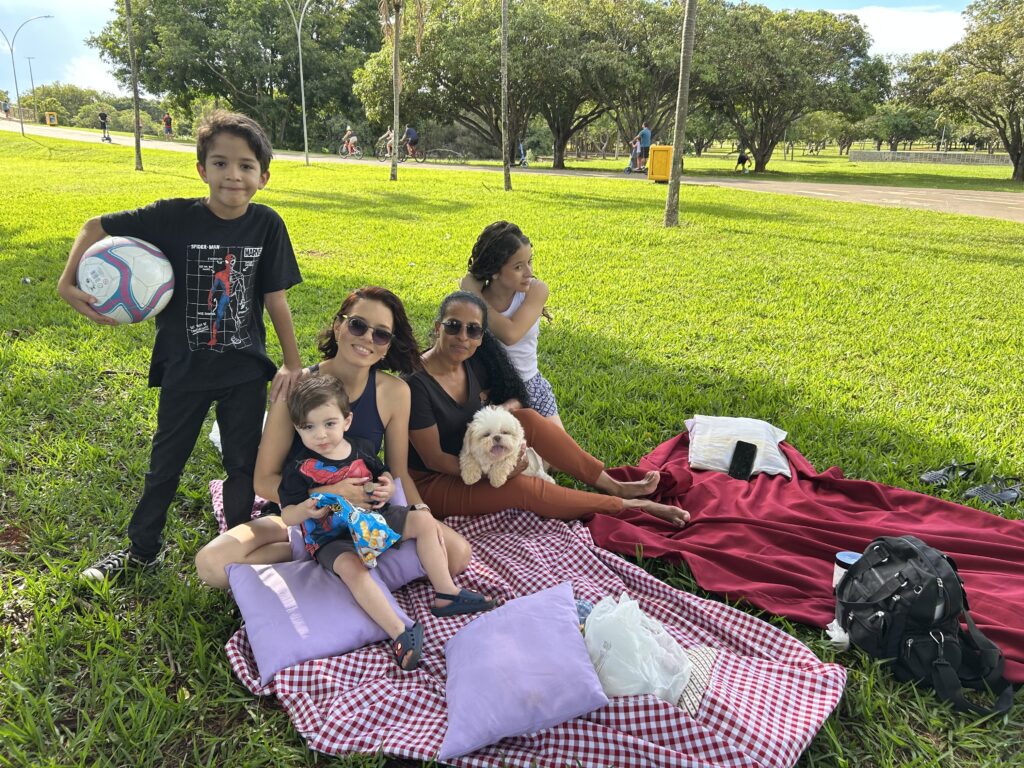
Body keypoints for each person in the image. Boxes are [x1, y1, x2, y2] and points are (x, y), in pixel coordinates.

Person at [58, 110, 304, 581]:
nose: (234, 175)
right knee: (164, 465)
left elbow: (275, 297)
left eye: (246, 165)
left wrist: (290, 364)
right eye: (220, 163)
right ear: (202, 169)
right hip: (184, 369)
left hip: (244, 371)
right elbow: (94, 226)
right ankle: (141, 549)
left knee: (242, 466)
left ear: (263, 176)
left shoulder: (267, 226)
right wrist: (67, 283)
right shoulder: (172, 217)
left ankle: (237, 553)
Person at [194, 286, 473, 590]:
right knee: (211, 563)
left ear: (388, 345)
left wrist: (419, 511)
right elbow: (264, 481)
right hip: (302, 515)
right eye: (358, 325)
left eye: (380, 334)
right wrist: (329, 496)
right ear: (339, 325)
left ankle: (329, 569)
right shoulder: (298, 385)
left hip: (369, 517)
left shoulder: (395, 392)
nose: (367, 338)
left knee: (458, 555)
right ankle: (328, 561)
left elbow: (399, 474)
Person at [406, 291, 691, 525]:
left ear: (482, 336)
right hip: (435, 482)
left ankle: (611, 483)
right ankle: (627, 505)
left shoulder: (473, 361)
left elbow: (517, 397)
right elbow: (434, 460)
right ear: (437, 328)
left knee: (525, 417)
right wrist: (497, 469)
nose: (463, 337)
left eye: (473, 330)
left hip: (474, 451)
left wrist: (505, 413)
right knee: (520, 489)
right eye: (453, 326)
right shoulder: (417, 384)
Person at [280, 376, 494, 670]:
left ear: (347, 420)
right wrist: (306, 508)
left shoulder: (361, 448)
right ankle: (400, 631)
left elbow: (386, 479)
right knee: (351, 569)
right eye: (309, 427)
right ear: (297, 429)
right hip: (331, 537)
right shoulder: (299, 469)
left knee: (423, 520)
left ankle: (447, 593)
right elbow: (287, 514)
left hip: (372, 519)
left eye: (329, 423)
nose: (320, 435)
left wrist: (388, 490)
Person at [460, 221, 562, 429]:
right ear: (495, 271)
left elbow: (510, 333)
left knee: (563, 459)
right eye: (518, 267)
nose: (528, 272)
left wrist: (474, 296)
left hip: (530, 386)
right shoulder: (469, 301)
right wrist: (473, 296)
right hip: (488, 392)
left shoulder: (535, 290)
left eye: (529, 262)